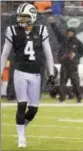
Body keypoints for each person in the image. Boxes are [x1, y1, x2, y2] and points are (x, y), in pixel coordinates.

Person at [1, 3, 55, 148]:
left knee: (33, 109)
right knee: (21, 105)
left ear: (32, 16)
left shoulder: (41, 30)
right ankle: (21, 139)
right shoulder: (12, 30)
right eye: (20, 17)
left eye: (25, 17)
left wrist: (51, 75)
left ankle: (21, 127)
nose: (21, 20)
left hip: (36, 74)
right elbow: (4, 54)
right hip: (20, 72)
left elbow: (48, 54)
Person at [48, 16, 83, 103]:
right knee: (62, 83)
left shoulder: (78, 43)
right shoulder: (63, 40)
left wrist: (75, 56)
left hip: (73, 66)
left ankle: (79, 98)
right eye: (68, 32)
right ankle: (62, 98)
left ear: (74, 33)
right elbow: (57, 33)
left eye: (71, 32)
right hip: (64, 65)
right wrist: (53, 24)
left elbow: (82, 53)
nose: (69, 34)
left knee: (75, 83)